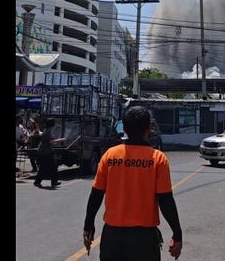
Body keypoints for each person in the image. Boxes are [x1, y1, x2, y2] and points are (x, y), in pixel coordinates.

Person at [82, 106, 183, 260]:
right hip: (144, 240)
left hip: (112, 237)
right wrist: (177, 234)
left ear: (124, 129)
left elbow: (96, 194)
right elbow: (165, 200)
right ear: (149, 129)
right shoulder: (157, 159)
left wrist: (88, 226)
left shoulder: (110, 155)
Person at [33, 119, 65, 188]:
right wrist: (60, 140)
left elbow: (51, 141)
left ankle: (52, 182)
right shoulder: (47, 131)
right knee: (49, 167)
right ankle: (41, 182)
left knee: (48, 167)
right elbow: (51, 141)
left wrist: (56, 141)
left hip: (47, 151)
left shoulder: (48, 130)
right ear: (52, 124)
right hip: (45, 151)